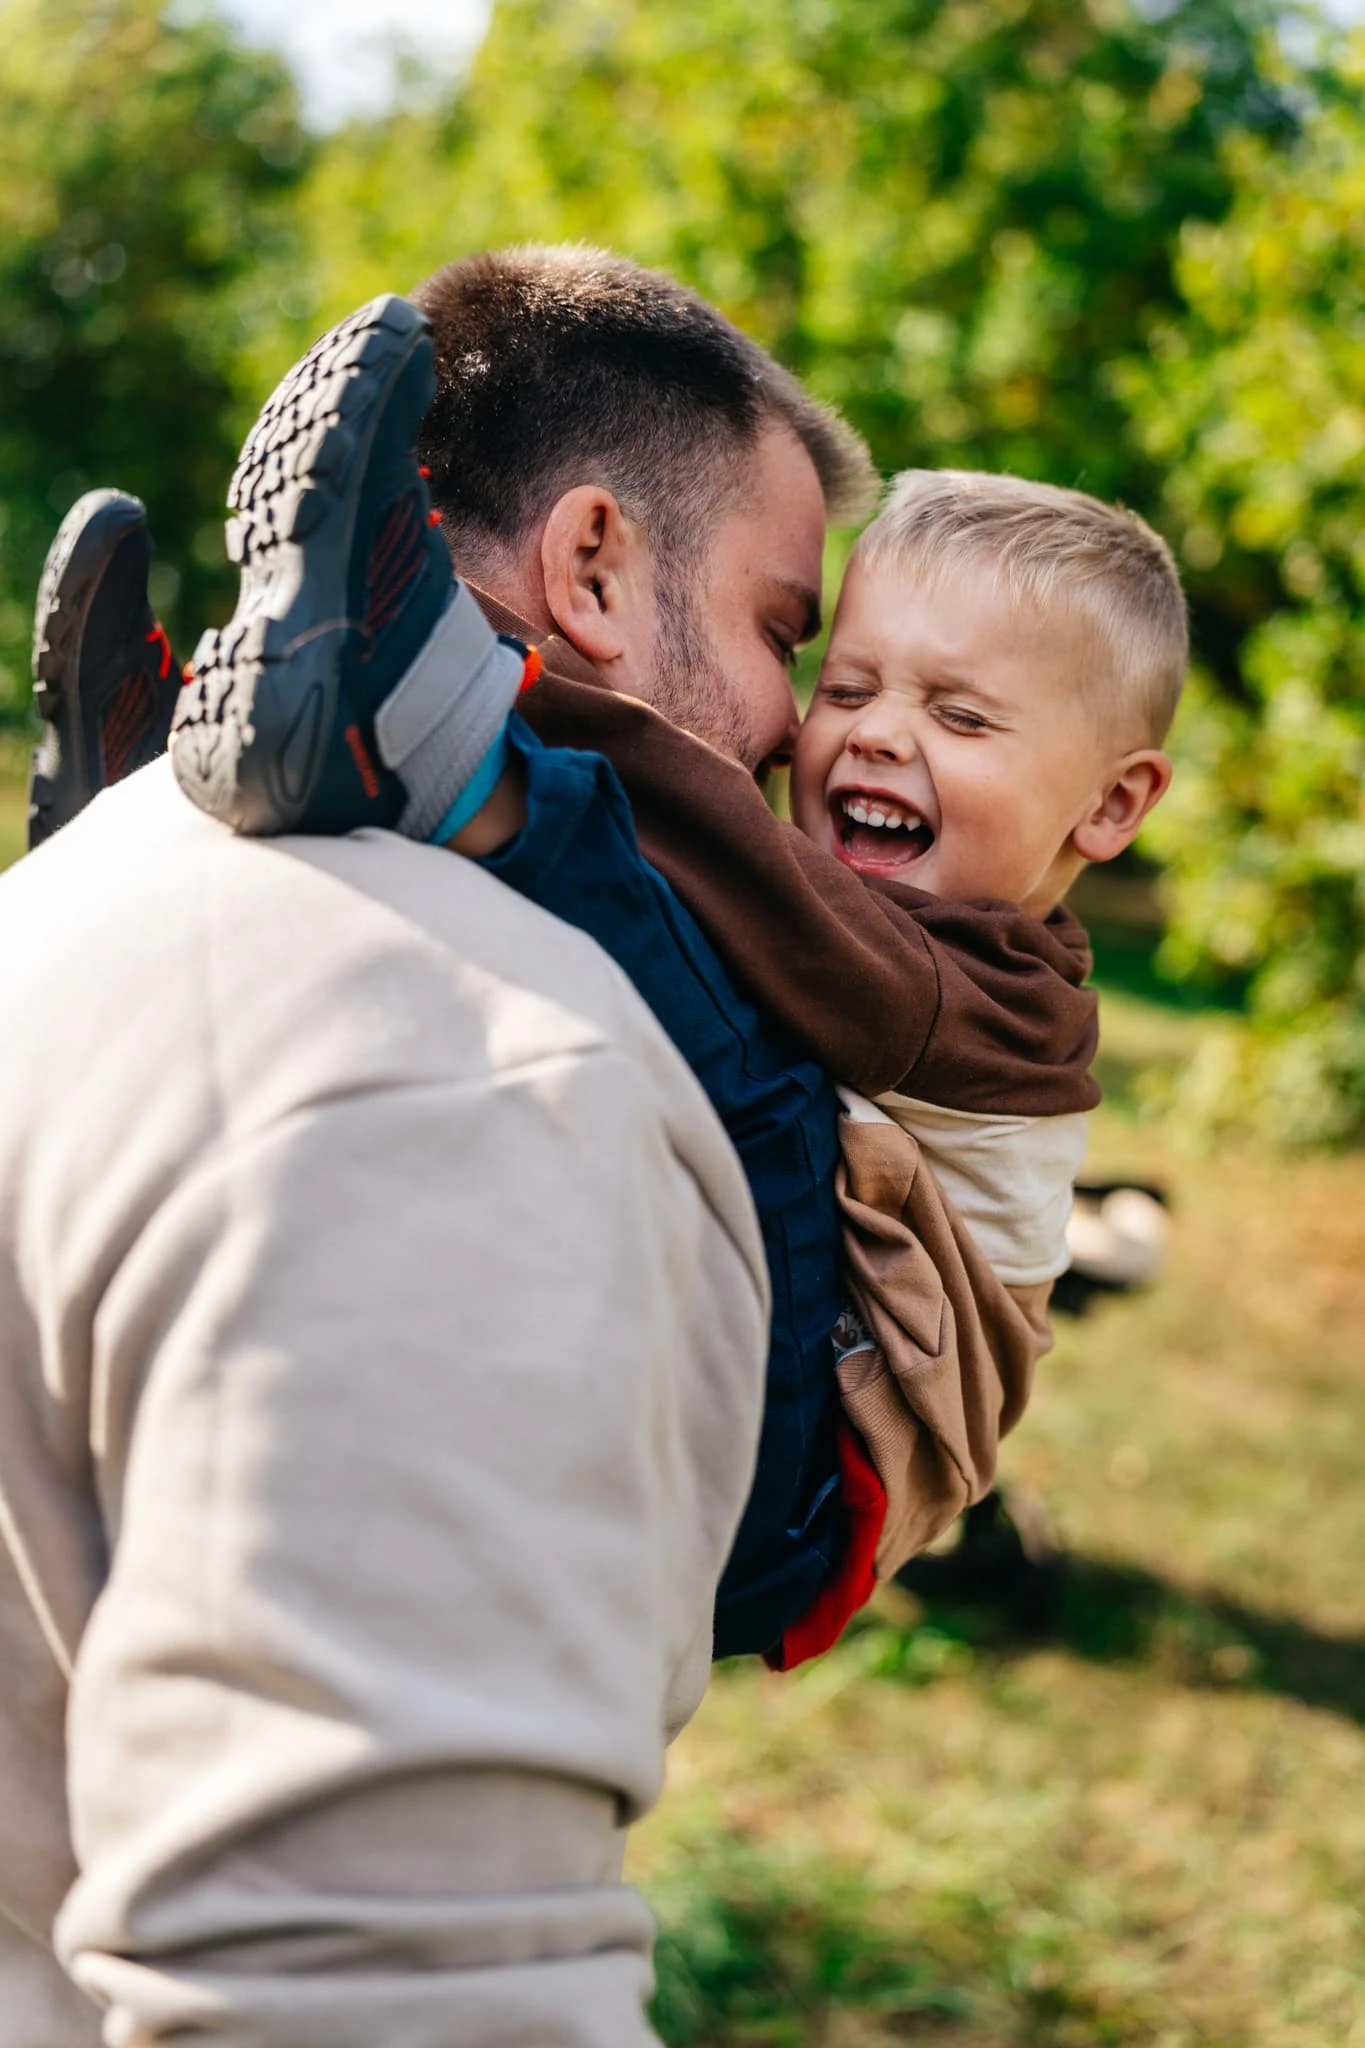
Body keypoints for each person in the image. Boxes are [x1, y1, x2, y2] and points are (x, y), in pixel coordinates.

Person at [165, 262, 1179, 1653]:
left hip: (818, 1475)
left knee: (711, 1005)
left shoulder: (995, 999)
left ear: (1112, 806)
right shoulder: (887, 925)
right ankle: (198, 733)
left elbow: (721, 848)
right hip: (791, 1392)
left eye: (961, 716)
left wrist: (506, 688)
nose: (863, 734)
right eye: (839, 681)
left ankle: (450, 754)